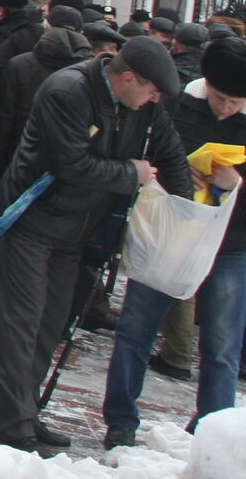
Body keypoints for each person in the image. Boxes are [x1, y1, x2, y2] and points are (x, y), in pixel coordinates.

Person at [0, 35, 192, 455]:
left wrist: (185, 216)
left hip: (77, 230)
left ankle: (25, 413)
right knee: (21, 325)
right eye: (150, 91)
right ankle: (10, 427)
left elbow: (169, 153)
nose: (154, 101)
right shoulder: (68, 90)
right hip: (32, 218)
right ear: (129, 77)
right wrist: (131, 173)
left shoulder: (144, 107)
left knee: (50, 324)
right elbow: (71, 164)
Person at [101, 38, 246, 445]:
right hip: (170, 233)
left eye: (236, 102)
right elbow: (145, 151)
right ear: (207, 85)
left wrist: (236, 185)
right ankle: (121, 420)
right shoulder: (176, 102)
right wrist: (172, 172)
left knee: (221, 345)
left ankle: (212, 432)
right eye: (220, 98)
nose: (226, 109)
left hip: (231, 244)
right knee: (136, 329)